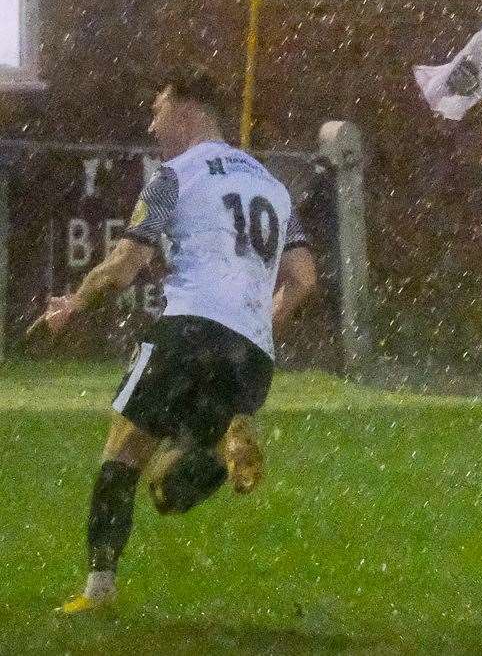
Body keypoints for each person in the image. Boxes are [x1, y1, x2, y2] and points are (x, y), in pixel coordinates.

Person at [39, 66, 318, 614]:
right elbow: (305, 279)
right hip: (253, 354)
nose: (152, 123)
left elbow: (125, 264)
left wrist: (72, 304)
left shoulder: (175, 175)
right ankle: (213, 447)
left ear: (188, 109)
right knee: (174, 479)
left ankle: (99, 589)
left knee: (123, 453)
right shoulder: (272, 185)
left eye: (159, 109)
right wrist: (257, 328)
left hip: (187, 329)